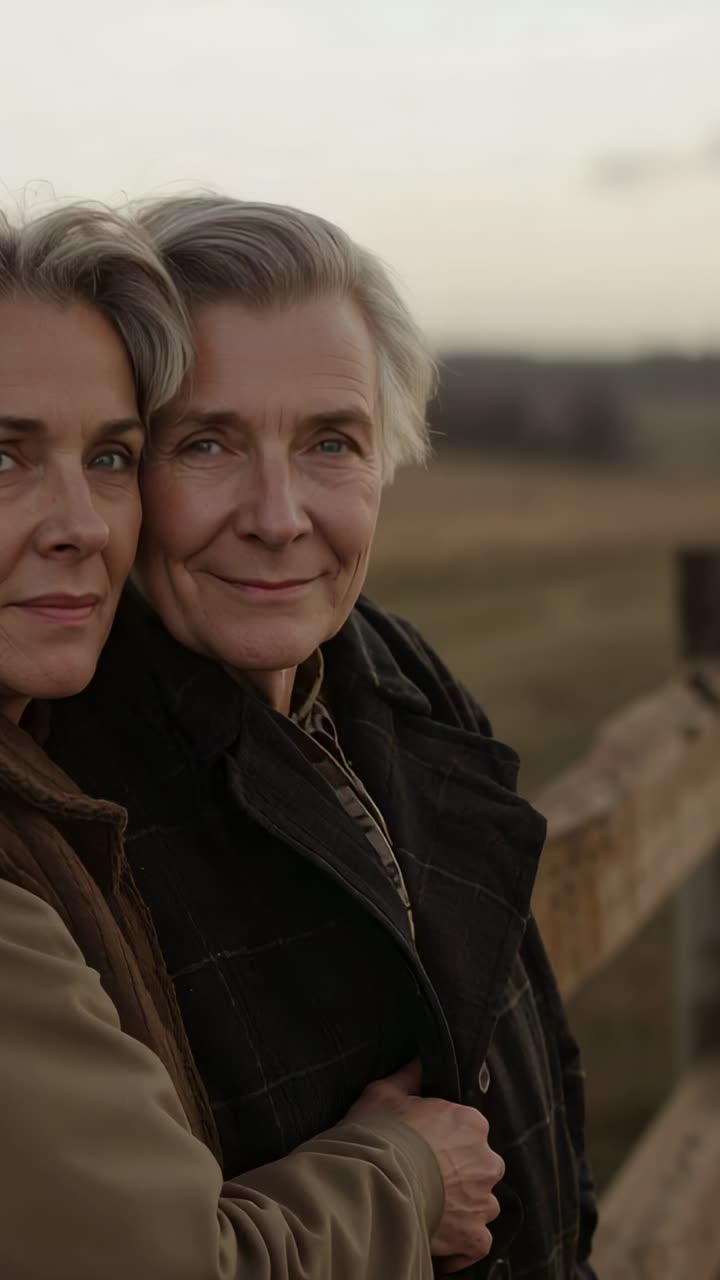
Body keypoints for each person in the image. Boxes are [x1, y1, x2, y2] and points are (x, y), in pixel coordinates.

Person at [50, 196, 598, 1279]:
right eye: (204, 441)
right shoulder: (71, 799)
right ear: (117, 472)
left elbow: (533, 1053)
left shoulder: (396, 673)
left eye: (331, 441)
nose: (279, 512)